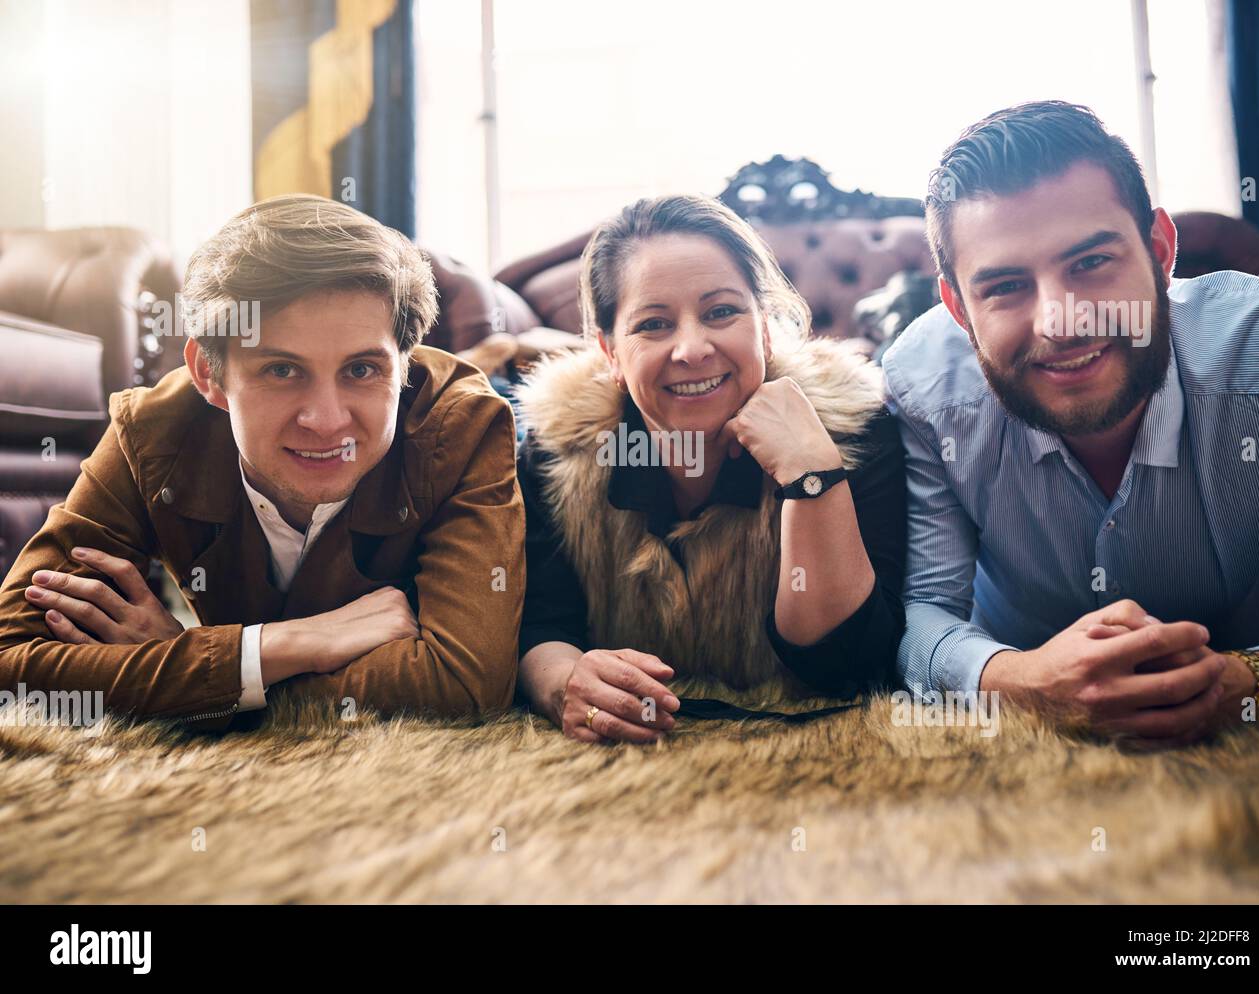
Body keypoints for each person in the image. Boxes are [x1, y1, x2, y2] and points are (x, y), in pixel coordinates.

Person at [0, 195, 524, 731]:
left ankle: (506, 350)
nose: (326, 420)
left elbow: (467, 682)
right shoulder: (155, 428)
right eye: (281, 370)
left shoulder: (465, 424)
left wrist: (197, 674)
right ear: (209, 373)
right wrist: (277, 648)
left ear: (404, 364)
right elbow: (10, 661)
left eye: (363, 369)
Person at [882, 100, 1259, 747]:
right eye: (1005, 287)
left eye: (1090, 263)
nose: (1061, 321)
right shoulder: (921, 386)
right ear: (958, 308)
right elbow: (925, 610)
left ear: (1160, 251)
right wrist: (1016, 682)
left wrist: (1257, 680)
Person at [514, 194, 906, 744]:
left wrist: (813, 476)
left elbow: (848, 666)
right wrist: (562, 680)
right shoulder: (560, 448)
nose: (693, 349)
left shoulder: (857, 429)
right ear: (608, 353)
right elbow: (539, 621)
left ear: (765, 329)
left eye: (722, 312)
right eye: (653, 324)